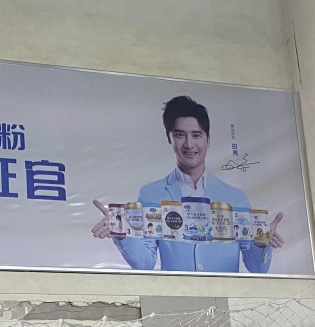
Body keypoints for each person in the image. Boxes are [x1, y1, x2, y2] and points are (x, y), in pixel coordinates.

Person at [91, 95, 284, 272]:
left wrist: (261, 243)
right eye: (180, 135)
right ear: (169, 137)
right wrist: (122, 232)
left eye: (197, 135)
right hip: (175, 296)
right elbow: (145, 264)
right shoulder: (151, 194)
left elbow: (257, 269)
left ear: (208, 140)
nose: (189, 144)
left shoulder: (235, 198)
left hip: (224, 295)